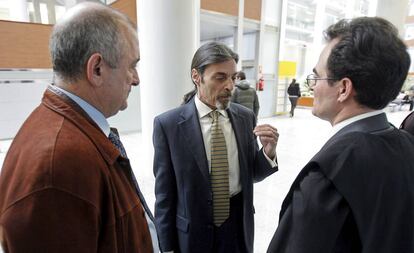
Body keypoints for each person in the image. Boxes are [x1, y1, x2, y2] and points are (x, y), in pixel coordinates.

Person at [0, 2, 158, 252]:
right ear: (96, 69)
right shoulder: (59, 164)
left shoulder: (69, 133)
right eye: (132, 65)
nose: (136, 79)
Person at [267, 17, 414, 253]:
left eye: (317, 77)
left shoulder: (329, 174)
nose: (313, 86)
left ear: (344, 88)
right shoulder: (407, 145)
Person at [153, 41, 279, 253]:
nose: (230, 85)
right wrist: (166, 248)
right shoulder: (168, 125)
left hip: (238, 228)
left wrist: (268, 153)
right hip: (193, 235)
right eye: (220, 77)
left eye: (232, 77)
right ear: (196, 76)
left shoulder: (245, 117)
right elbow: (164, 197)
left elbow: (252, 174)